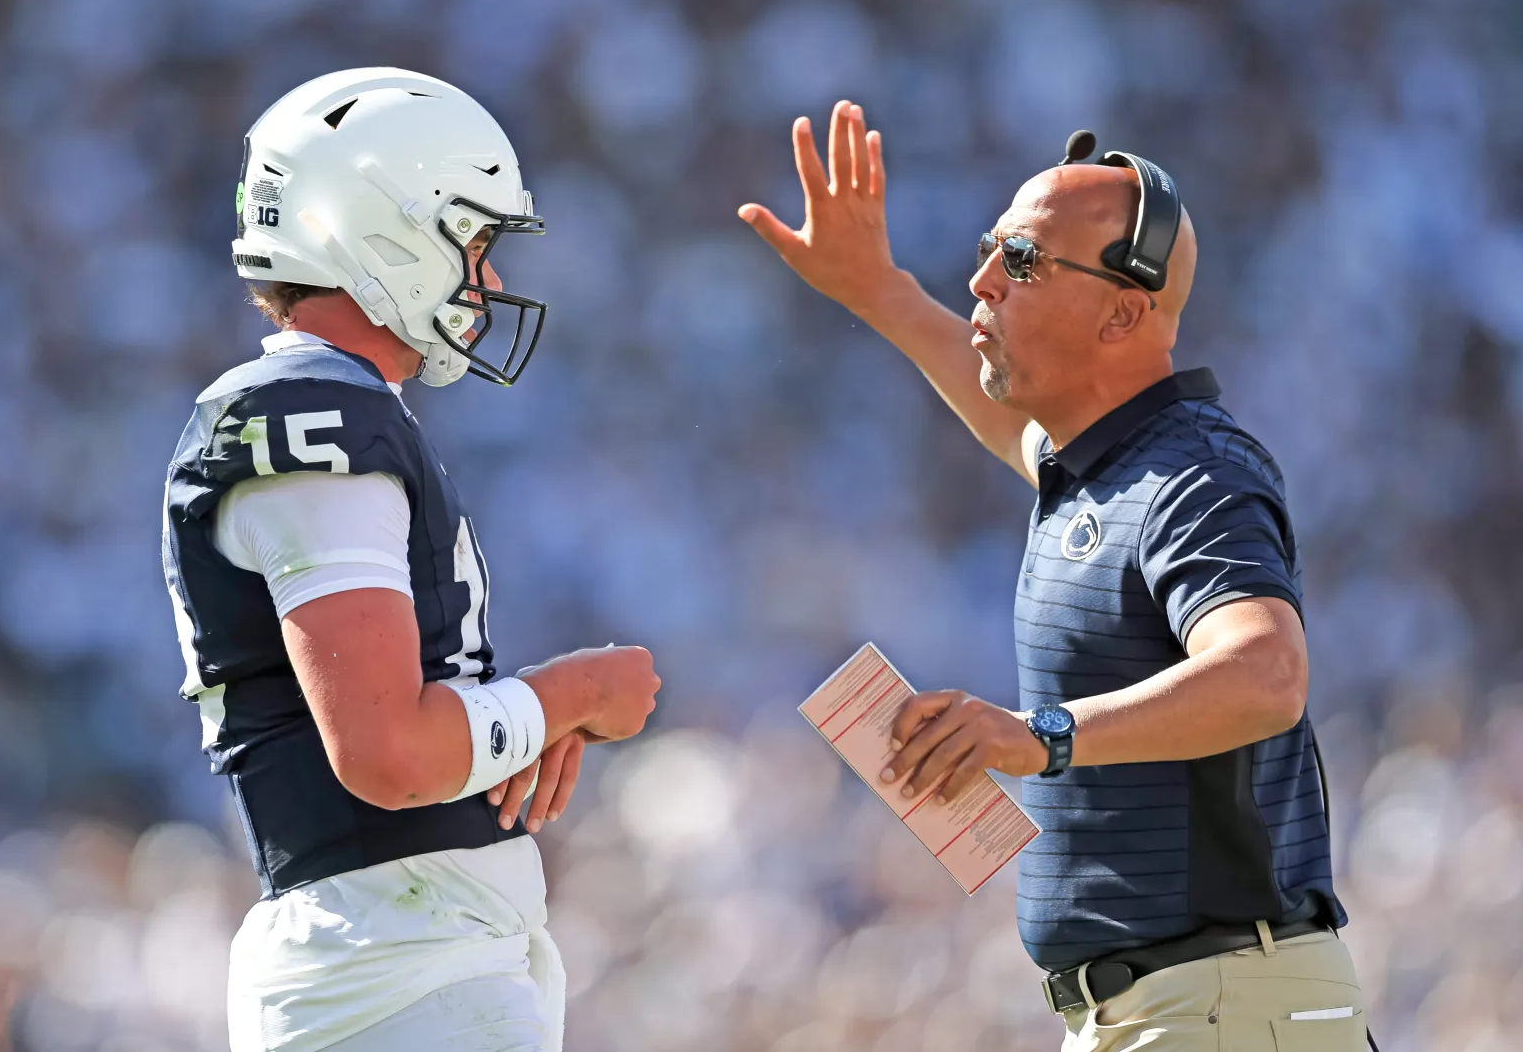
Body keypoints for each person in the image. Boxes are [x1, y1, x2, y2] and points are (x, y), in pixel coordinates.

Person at [740, 102, 1371, 1051]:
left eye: (1022, 261)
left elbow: (1266, 673)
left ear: (1126, 309)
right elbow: (1008, 420)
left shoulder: (1192, 470)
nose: (983, 280)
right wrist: (878, 288)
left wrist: (1039, 735)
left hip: (1220, 1004)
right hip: (1178, 1007)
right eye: (992, 249)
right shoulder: (1096, 466)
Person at [162, 68, 660, 1052]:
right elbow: (388, 753)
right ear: (377, 227)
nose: (490, 280)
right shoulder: (307, 413)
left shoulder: (335, 409)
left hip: (406, 956)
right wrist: (569, 692)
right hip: (391, 963)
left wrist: (515, 720)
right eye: (473, 241)